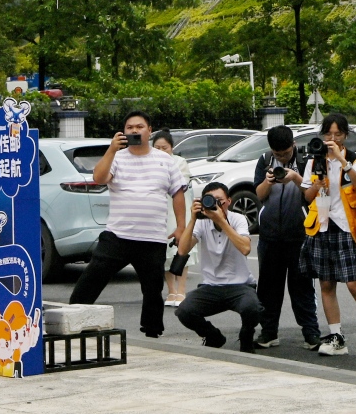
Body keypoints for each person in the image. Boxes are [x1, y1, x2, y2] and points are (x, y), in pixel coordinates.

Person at [69, 110, 187, 338]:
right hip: (118, 235)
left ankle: (152, 332)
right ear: (123, 132)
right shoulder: (116, 157)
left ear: (149, 131)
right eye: (130, 127)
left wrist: (181, 227)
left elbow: (178, 194)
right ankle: (73, 317)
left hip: (152, 237)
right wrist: (112, 149)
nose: (134, 131)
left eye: (139, 127)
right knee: (92, 278)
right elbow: (99, 178)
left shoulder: (166, 160)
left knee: (153, 289)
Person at [298, 113, 356, 360]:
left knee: (355, 284)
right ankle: (336, 336)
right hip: (322, 225)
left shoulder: (355, 159)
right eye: (328, 134)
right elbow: (306, 196)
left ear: (345, 135)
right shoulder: (314, 160)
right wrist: (317, 185)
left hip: (346, 226)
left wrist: (341, 161)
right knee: (326, 284)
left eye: (337, 134)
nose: (332, 139)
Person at [253, 125, 321, 350]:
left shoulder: (304, 160)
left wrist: (294, 177)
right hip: (270, 235)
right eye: (277, 153)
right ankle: (268, 332)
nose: (281, 157)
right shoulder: (264, 160)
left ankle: (311, 333)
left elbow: (312, 194)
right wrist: (268, 181)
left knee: (302, 287)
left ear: (293, 144)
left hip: (300, 234)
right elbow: (259, 195)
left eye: (284, 153)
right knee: (268, 287)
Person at [175, 182, 262, 352]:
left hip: (240, 285)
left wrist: (222, 222)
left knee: (253, 309)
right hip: (211, 286)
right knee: (184, 311)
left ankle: (246, 336)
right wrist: (192, 218)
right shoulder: (201, 222)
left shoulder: (238, 219)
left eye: (220, 201)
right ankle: (213, 335)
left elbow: (245, 248)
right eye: (211, 200)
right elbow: (183, 250)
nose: (216, 205)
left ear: (229, 201)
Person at [150, 129, 195, 307]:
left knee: (182, 249)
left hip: (179, 210)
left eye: (165, 148)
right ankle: (171, 291)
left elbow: (181, 185)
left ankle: (182, 290)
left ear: (172, 148)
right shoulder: (148, 162)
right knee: (164, 252)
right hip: (159, 211)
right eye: (157, 147)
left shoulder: (180, 162)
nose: (161, 151)